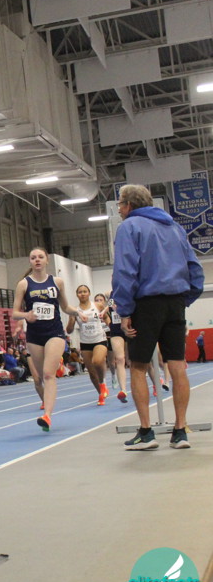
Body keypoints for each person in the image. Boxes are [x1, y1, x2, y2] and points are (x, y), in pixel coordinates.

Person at [112, 184, 204, 450]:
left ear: (129, 205)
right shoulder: (174, 227)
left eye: (120, 204)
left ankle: (146, 432)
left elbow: (125, 270)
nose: (119, 210)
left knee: (139, 367)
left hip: (146, 304)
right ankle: (180, 431)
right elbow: (194, 268)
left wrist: (124, 310)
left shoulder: (129, 227)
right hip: (175, 303)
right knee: (177, 365)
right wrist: (185, 299)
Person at [13, 247, 86, 432]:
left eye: (40, 257)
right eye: (33, 258)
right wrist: (26, 315)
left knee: (48, 374)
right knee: (40, 376)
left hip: (55, 332)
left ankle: (47, 415)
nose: (37, 260)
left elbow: (65, 307)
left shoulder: (57, 282)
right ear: (30, 262)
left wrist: (78, 312)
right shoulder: (24, 284)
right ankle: (47, 408)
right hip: (34, 335)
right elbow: (14, 313)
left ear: (47, 260)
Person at [66, 285, 110, 406]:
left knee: (97, 361)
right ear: (77, 295)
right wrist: (71, 320)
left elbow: (106, 317)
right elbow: (69, 330)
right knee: (91, 373)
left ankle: (103, 384)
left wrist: (112, 329)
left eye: (85, 291)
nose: (83, 294)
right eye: (80, 292)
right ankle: (101, 393)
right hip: (85, 342)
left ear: (89, 293)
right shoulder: (75, 310)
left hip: (99, 339)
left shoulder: (97, 306)